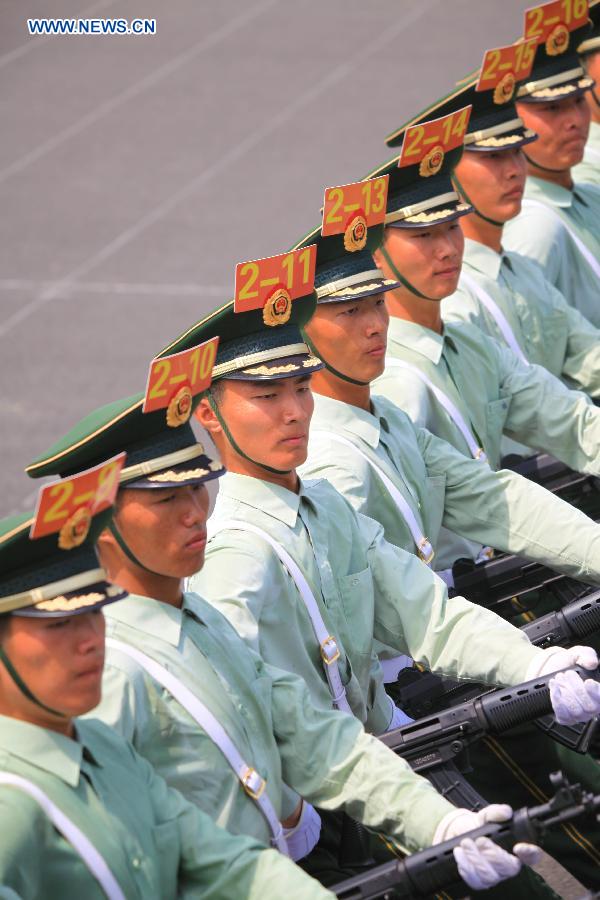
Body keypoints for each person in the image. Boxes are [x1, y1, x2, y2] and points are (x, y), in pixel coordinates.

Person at [156, 260, 599, 887]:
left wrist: (530, 666)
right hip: (320, 806)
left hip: (387, 751)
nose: (294, 412)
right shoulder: (232, 554)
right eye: (266, 397)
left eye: (301, 388)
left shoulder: (322, 506)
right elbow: (247, 720)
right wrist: (287, 817)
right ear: (208, 415)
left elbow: (427, 612)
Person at [24, 354, 539, 892]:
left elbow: (315, 737)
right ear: (101, 531)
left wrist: (439, 821)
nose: (194, 512)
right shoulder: (114, 670)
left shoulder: (197, 621)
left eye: (197, 486)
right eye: (166, 499)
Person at [0, 474, 330, 899]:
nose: (89, 640)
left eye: (94, 612)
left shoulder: (101, 747)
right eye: (60, 623)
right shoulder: (13, 804)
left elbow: (222, 858)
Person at [427, 40, 600, 408]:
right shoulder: (531, 232)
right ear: (450, 174)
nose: (513, 170)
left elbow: (585, 353)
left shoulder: (517, 267)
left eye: (517, 152)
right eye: (494, 157)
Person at [501, 0, 600, 326]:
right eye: (553, 110)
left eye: (577, 102)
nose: (574, 120)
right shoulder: (534, 225)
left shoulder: (586, 195)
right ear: (513, 119)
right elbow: (535, 349)